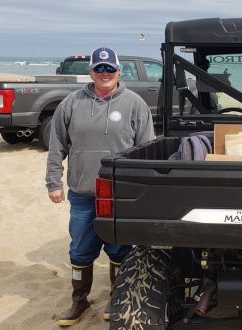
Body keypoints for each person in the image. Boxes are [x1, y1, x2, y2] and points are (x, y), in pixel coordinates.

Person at [45, 47, 155, 326]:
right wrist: (53, 182)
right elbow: (57, 146)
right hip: (82, 193)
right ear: (90, 72)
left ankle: (116, 300)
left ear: (119, 71)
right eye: (99, 69)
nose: (105, 74)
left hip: (121, 194)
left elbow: (147, 148)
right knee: (81, 250)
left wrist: (145, 188)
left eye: (110, 69)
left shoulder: (135, 103)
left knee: (119, 250)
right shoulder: (71, 103)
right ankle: (79, 302)